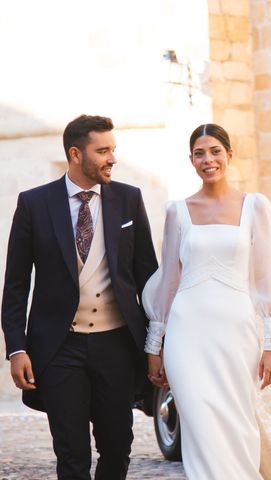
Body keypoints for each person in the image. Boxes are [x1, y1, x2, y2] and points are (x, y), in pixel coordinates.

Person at [142, 124, 271, 479]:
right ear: (191, 161)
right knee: (200, 427)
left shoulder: (255, 207)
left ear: (230, 155)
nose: (208, 160)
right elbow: (167, 283)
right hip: (187, 337)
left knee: (240, 425)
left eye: (215, 151)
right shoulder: (177, 212)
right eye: (200, 153)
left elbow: (266, 281)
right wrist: (155, 346)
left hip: (238, 334)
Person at [1, 115, 158, 480]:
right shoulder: (34, 204)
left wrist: (156, 344)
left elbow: (148, 276)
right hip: (60, 349)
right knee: (71, 454)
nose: (112, 158)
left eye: (113, 149)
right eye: (102, 151)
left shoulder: (129, 200)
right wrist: (17, 348)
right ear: (75, 154)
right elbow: (15, 285)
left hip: (116, 345)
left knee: (117, 447)